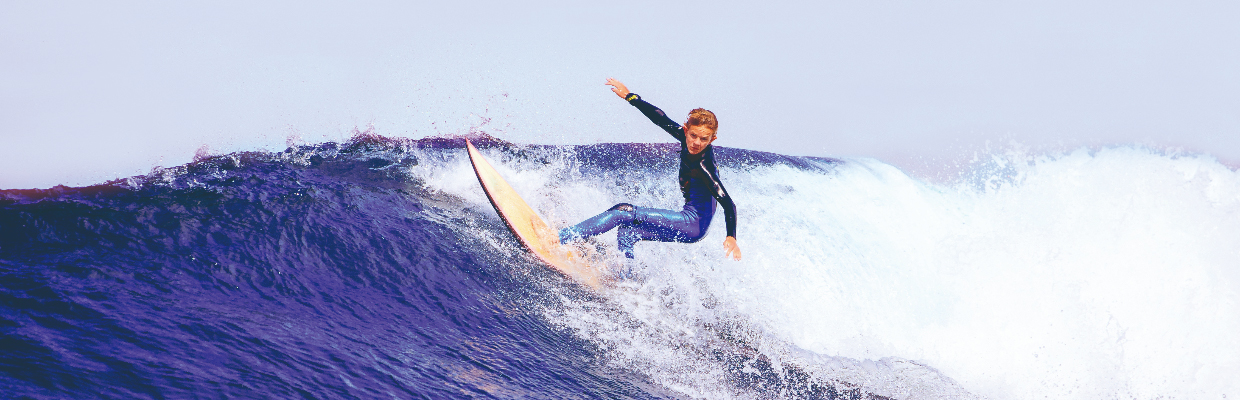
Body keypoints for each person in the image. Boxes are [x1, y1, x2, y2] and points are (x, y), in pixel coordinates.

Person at [559, 78, 742, 263]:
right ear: (686, 130)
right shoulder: (686, 137)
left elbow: (728, 203)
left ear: (712, 139)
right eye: (693, 135)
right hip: (693, 225)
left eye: (704, 139)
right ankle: (625, 278)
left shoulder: (704, 166)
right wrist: (630, 97)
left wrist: (731, 236)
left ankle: (560, 238)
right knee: (628, 231)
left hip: (693, 224)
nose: (696, 143)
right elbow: (659, 118)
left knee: (624, 211)